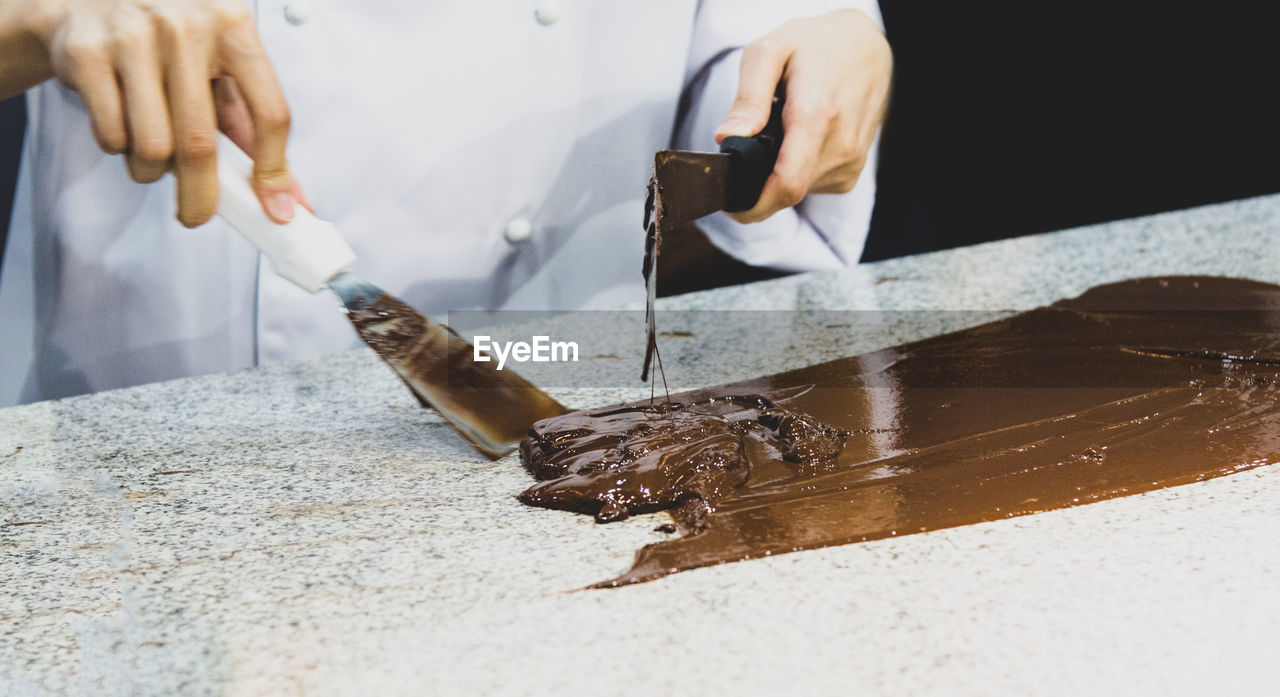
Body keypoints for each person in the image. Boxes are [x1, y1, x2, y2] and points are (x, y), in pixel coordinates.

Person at [0, 0, 892, 406]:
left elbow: (750, 62)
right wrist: (43, 19)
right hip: (137, 409)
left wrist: (830, 47)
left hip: (552, 394)